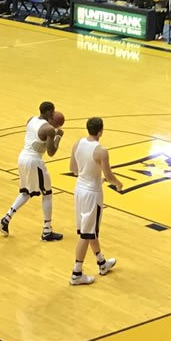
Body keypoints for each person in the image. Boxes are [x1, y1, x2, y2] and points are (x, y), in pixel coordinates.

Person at [68, 116, 121, 285]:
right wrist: (118, 184)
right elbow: (108, 175)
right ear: (101, 131)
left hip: (79, 190)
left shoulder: (77, 143)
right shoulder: (101, 151)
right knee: (86, 233)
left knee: (89, 230)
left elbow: (73, 169)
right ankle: (76, 273)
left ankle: (102, 263)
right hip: (92, 194)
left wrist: (91, 176)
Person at [0, 101, 63, 241]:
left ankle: (6, 219)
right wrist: (57, 136)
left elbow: (37, 139)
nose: (53, 114)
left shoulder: (31, 119)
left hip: (22, 158)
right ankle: (47, 231)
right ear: (48, 112)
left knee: (26, 192)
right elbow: (51, 152)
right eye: (52, 112)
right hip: (34, 161)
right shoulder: (49, 129)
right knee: (47, 194)